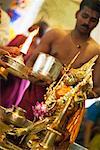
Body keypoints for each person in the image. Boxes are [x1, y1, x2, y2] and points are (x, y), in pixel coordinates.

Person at [26, 0, 100, 98]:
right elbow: (30, 63)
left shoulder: (96, 51)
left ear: (97, 23)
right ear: (77, 14)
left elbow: (97, 88)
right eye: (84, 16)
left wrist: (77, 96)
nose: (87, 22)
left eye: (93, 20)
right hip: (34, 96)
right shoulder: (55, 35)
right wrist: (33, 77)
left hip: (63, 107)